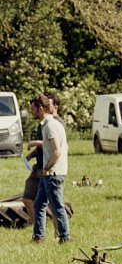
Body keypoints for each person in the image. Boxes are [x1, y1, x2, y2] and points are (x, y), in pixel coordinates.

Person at [29, 93, 71, 243]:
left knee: (57, 207)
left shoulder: (50, 126)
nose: (31, 112)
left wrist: (47, 168)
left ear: (40, 108)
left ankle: (65, 238)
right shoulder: (48, 124)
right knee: (39, 204)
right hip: (49, 173)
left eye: (33, 109)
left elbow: (57, 151)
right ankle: (38, 237)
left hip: (53, 172)